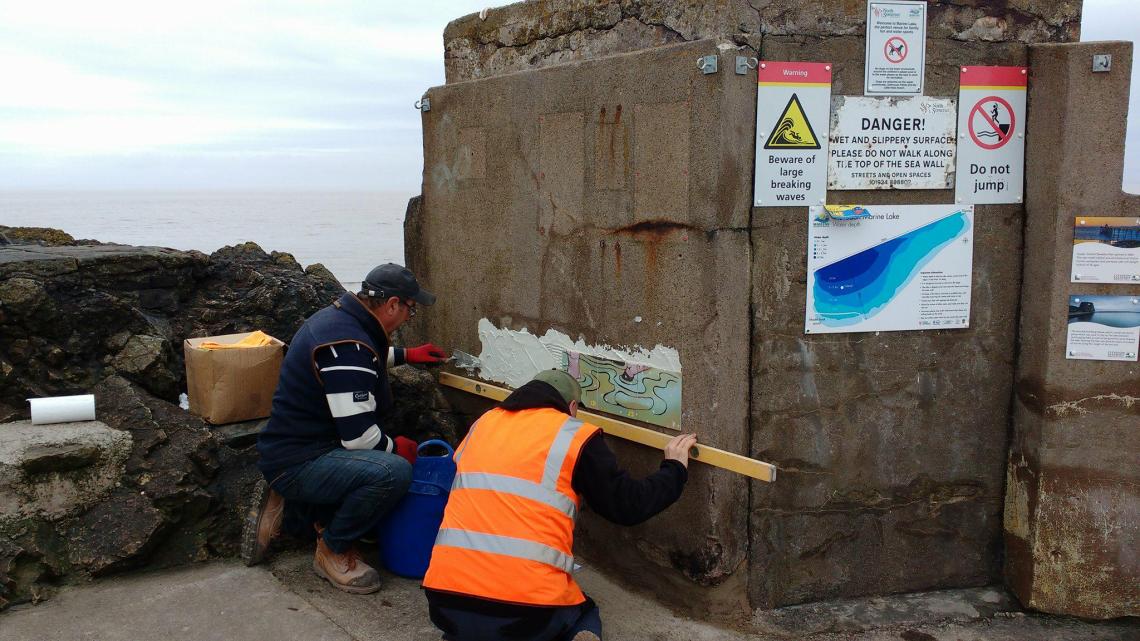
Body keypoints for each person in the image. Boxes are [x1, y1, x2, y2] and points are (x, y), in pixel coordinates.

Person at [422, 369, 697, 641]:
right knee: (584, 609)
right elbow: (627, 505)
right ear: (572, 406)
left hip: (444, 602)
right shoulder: (573, 435)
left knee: (473, 624)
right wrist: (674, 469)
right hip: (526, 614)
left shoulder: (483, 423)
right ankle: (580, 633)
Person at [241, 263, 448, 594]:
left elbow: (357, 362)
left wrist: (408, 354)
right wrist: (400, 449)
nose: (410, 316)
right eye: (410, 309)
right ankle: (332, 549)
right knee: (393, 472)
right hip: (300, 460)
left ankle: (297, 504)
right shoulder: (348, 346)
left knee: (382, 460)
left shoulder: (340, 319)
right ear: (392, 304)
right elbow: (358, 437)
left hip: (295, 444)